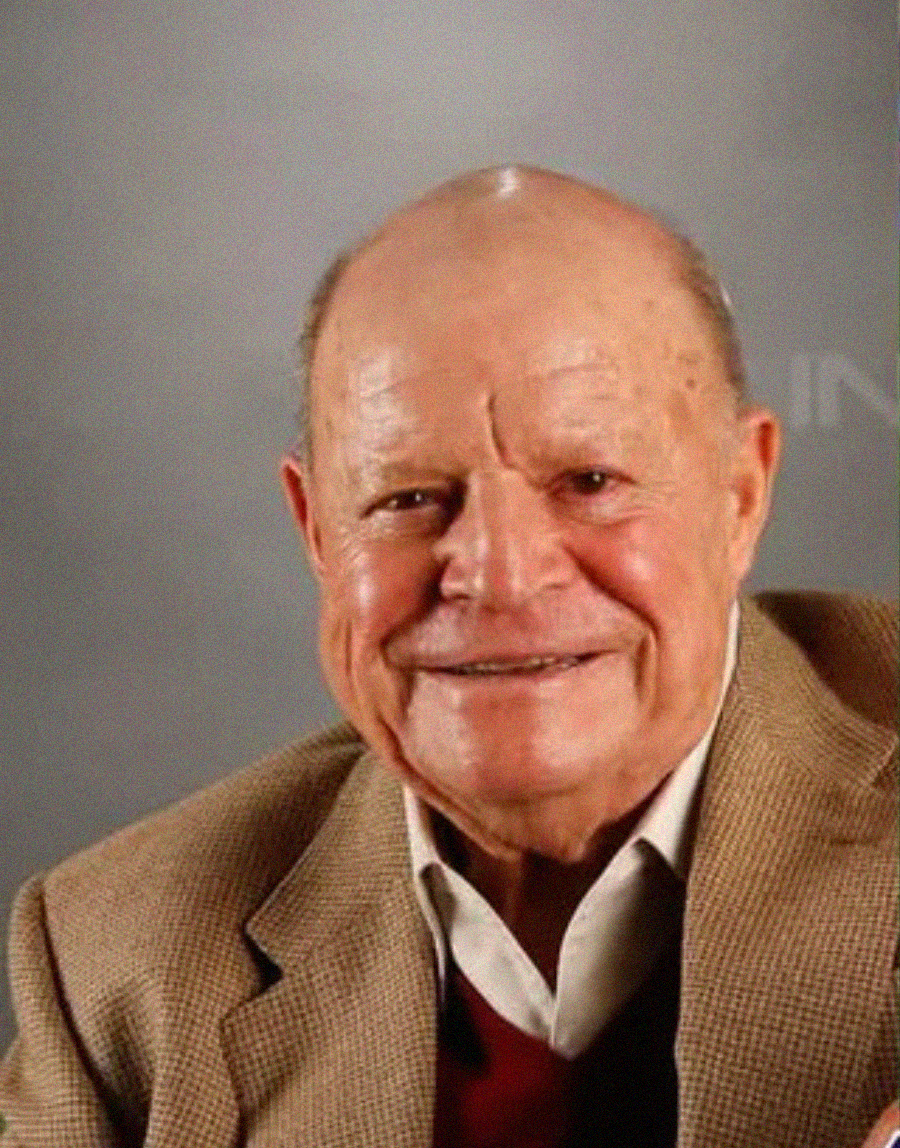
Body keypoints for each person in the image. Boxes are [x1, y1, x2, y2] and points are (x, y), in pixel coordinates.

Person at [0, 166, 896, 1148]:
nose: (501, 574)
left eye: (589, 480)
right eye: (407, 497)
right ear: (315, 528)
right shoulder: (118, 960)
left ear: (739, 497)